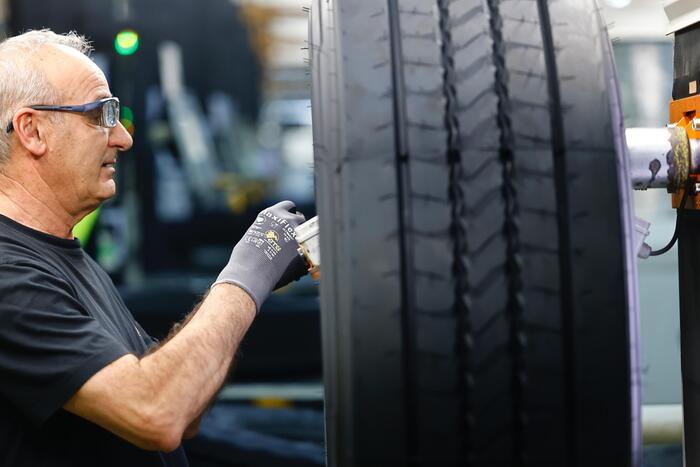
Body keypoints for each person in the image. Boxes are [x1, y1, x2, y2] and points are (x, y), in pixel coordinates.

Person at [0, 29, 308, 466]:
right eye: (101, 115)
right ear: (32, 130)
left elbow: (185, 406)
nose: (123, 139)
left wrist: (257, 279)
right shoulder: (11, 277)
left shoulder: (64, 256)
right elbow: (158, 412)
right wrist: (246, 273)